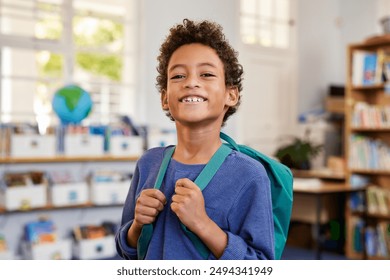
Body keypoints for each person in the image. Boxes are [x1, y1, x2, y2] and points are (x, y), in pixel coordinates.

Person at [115, 18, 274, 260]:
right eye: (178, 76)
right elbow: (126, 250)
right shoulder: (148, 163)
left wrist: (202, 223)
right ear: (165, 98)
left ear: (230, 95)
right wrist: (137, 226)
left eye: (207, 74)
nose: (191, 82)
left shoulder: (249, 174)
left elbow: (260, 266)